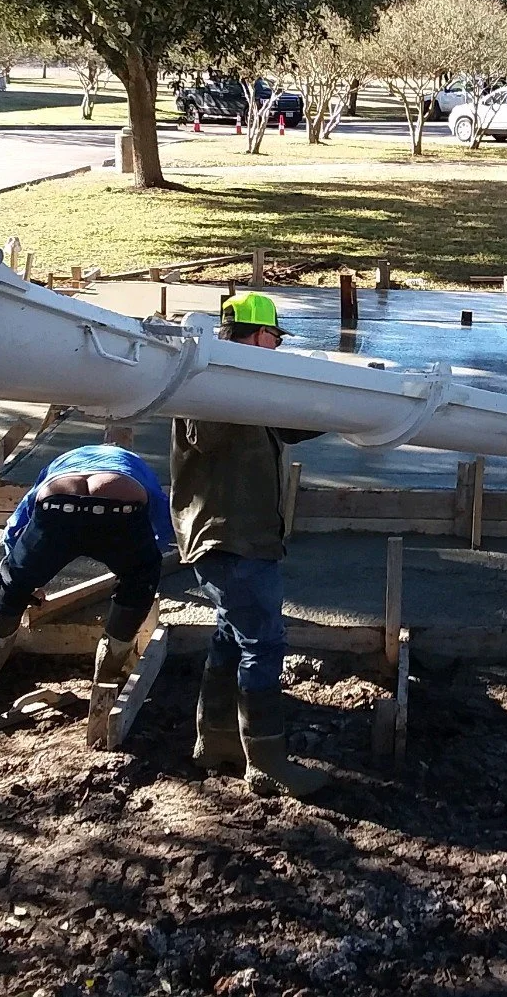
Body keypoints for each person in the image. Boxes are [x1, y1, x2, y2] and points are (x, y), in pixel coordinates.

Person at [172, 292, 328, 798]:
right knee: (263, 643)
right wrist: (248, 373)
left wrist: (348, 398)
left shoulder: (247, 385)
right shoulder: (209, 380)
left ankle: (215, 740)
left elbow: (294, 427)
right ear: (257, 336)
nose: (278, 348)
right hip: (227, 535)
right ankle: (266, 760)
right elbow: (207, 434)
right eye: (275, 339)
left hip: (247, 534)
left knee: (230, 634)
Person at [0, 443, 172, 692]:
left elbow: (18, 523)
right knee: (139, 580)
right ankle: (108, 675)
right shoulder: (133, 463)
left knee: (12, 585)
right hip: (121, 506)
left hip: (58, 504)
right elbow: (162, 522)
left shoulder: (62, 461)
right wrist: (145, 564)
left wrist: (24, 574)